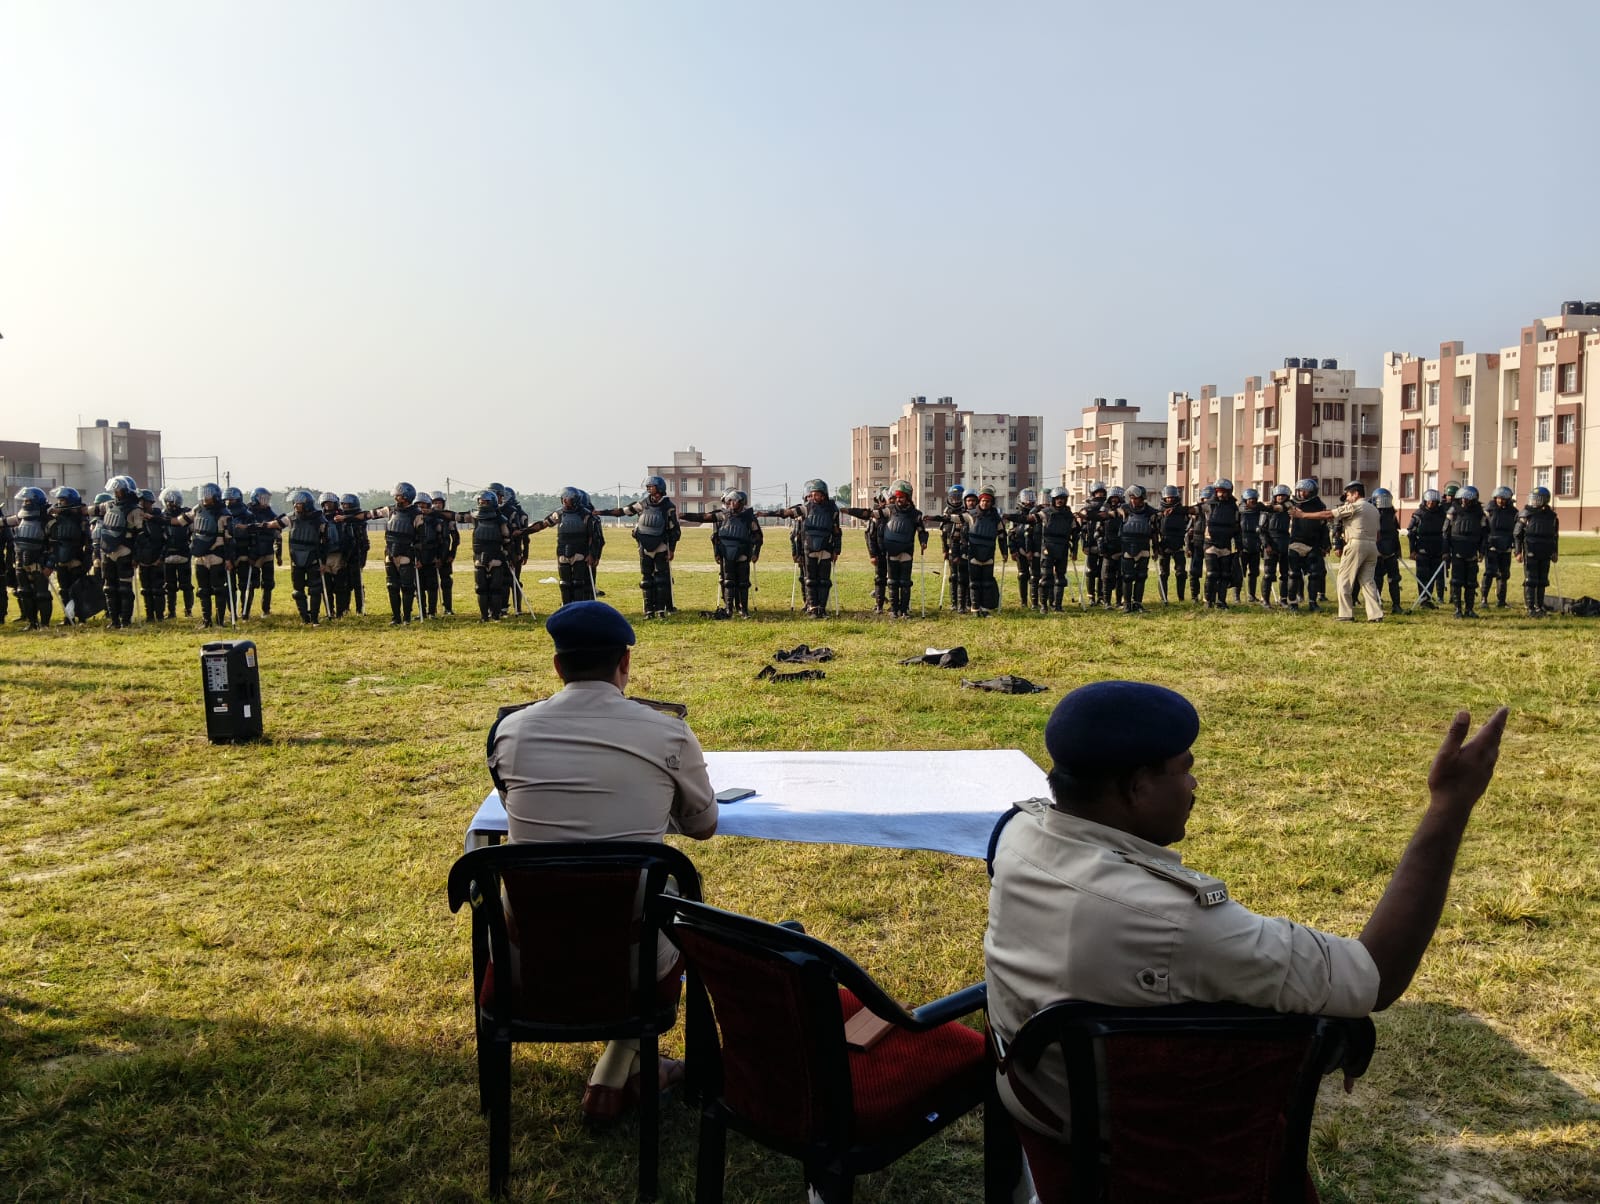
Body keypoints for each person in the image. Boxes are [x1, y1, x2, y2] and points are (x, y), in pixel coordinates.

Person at [985, 680, 1509, 1139]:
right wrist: (1450, 805)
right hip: (1129, 1139)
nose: (1194, 786)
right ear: (1138, 786)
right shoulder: (1172, 921)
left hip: (1029, 1092)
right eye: (1183, 771)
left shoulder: (1018, 832)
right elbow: (1376, 975)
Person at [485, 600, 718, 1122]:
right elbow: (703, 826)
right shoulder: (668, 733)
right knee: (669, 909)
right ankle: (625, 1068)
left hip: (527, 956)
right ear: (625, 664)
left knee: (618, 909)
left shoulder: (510, 733)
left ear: (558, 666)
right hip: (632, 958)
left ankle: (621, 1072)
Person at [1292, 480, 1385, 622]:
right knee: (1368, 581)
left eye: (1348, 495)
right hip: (1372, 546)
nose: (1347, 498)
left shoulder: (1355, 506)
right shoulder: (1374, 509)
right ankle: (1375, 615)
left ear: (1356, 494)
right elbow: (1378, 533)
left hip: (1356, 543)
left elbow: (1328, 514)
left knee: (1344, 580)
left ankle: (1346, 614)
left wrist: (1302, 515)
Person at [595, 477, 681, 618]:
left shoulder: (668, 506)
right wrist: (602, 512)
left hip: (661, 546)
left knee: (661, 580)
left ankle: (661, 610)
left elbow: (674, 530)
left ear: (659, 488)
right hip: (644, 547)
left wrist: (671, 549)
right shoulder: (642, 504)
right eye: (647, 486)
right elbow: (623, 511)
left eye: (651, 486)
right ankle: (649, 610)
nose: (648, 488)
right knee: (646, 580)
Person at [757, 480, 843, 617]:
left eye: (817, 495)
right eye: (812, 494)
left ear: (824, 495)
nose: (814, 497)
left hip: (826, 548)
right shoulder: (805, 508)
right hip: (809, 548)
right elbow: (786, 513)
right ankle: (812, 607)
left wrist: (837, 550)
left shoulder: (833, 510)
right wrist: (765, 514)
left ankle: (822, 607)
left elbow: (837, 531)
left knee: (824, 581)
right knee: (810, 579)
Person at [681, 490, 765, 617]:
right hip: (727, 553)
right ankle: (728, 609)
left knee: (743, 583)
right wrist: (683, 515)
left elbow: (758, 536)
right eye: (729, 501)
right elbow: (703, 517)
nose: (730, 504)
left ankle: (744, 610)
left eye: (733, 501)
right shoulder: (723, 515)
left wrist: (755, 552)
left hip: (743, 553)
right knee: (728, 582)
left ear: (741, 502)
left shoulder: (749, 517)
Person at [541, 487, 606, 606]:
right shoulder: (561, 513)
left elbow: (598, 539)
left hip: (582, 553)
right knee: (566, 583)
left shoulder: (589, 516)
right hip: (565, 551)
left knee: (583, 583)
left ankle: (585, 603)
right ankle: (568, 604)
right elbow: (545, 523)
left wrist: (594, 555)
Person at [4, 487, 55, 628]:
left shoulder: (47, 520)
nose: (25, 502)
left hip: (39, 562)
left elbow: (54, 546)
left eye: (28, 500)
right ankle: (32, 623)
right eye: (24, 500)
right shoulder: (20, 518)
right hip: (20, 561)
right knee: (24, 593)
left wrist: (50, 565)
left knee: (42, 595)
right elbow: (4, 522)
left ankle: (44, 624)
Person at [1513, 486, 1559, 618]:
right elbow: (1517, 534)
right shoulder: (1525, 514)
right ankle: (1530, 607)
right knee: (1531, 580)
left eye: (1537, 499)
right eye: (1533, 499)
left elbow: (1555, 536)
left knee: (1542, 580)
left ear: (1545, 500)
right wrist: (1518, 552)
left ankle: (1540, 607)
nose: (1534, 502)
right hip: (1530, 550)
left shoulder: (1552, 517)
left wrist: (1555, 552)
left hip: (1545, 551)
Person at [1110, 484, 1156, 613]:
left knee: (1141, 576)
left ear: (1142, 498)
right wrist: (1119, 512)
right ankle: (1127, 604)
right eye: (1131, 498)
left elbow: (1154, 531)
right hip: (1127, 545)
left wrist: (1156, 549)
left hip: (1143, 546)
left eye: (1135, 498)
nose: (1133, 500)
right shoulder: (1124, 508)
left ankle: (1138, 603)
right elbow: (1112, 512)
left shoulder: (1150, 511)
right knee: (1128, 576)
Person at [1443, 485, 1487, 619]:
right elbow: (1445, 532)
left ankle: (1469, 609)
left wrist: (1482, 551)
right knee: (1456, 581)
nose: (1464, 502)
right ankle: (1457, 609)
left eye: (1467, 499)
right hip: (1457, 550)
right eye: (1463, 499)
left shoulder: (1480, 513)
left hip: (1472, 550)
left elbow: (1484, 534)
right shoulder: (1453, 511)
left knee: (1471, 582)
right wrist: (1446, 551)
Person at [1286, 478, 1329, 613]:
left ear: (1312, 492)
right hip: (1296, 543)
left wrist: (1325, 543)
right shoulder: (1292, 504)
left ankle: (1312, 602)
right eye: (1299, 491)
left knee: (1315, 574)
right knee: (1294, 574)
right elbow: (1279, 506)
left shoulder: (1320, 506)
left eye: (1304, 491)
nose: (1301, 494)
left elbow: (1324, 527)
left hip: (1313, 544)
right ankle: (1292, 603)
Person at [238, 488, 281, 617]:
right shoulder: (247, 513)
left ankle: (266, 610)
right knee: (250, 584)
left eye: (267, 498)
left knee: (268, 584)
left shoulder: (270, 513)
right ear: (255, 498)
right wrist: (250, 553)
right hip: (252, 553)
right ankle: (245, 611)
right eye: (263, 498)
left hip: (267, 552)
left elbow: (278, 535)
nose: (266, 501)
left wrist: (278, 554)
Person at [1407, 490, 1447, 609]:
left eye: (1433, 502)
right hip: (1422, 549)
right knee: (1422, 575)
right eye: (1429, 501)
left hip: (1437, 548)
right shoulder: (1418, 515)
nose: (1431, 504)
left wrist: (1445, 550)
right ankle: (1423, 599)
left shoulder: (1442, 515)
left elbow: (1446, 533)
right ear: (1425, 501)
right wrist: (1412, 550)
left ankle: (1428, 598)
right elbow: (1411, 533)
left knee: (1433, 576)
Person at [1480, 486, 1518, 611]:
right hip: (1491, 547)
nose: (1500, 501)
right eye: (1498, 498)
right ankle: (1484, 599)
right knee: (1489, 572)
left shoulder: (1514, 513)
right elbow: (1483, 530)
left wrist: (1514, 546)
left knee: (1503, 574)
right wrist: (1485, 545)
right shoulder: (1488, 511)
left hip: (1506, 547)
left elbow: (1516, 531)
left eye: (1503, 499)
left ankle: (1501, 600)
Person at [159, 489, 195, 619]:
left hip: (182, 553)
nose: (172, 505)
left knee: (184, 585)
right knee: (171, 586)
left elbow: (193, 532)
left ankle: (186, 611)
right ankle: (173, 611)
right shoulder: (163, 516)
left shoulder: (185, 516)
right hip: (170, 554)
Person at [1371, 488, 1404, 616]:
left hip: (1390, 552)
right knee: (1377, 579)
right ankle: (1377, 604)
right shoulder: (1372, 514)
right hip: (1377, 552)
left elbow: (1394, 534)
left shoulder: (1392, 516)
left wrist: (1397, 550)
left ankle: (1396, 605)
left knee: (1394, 579)